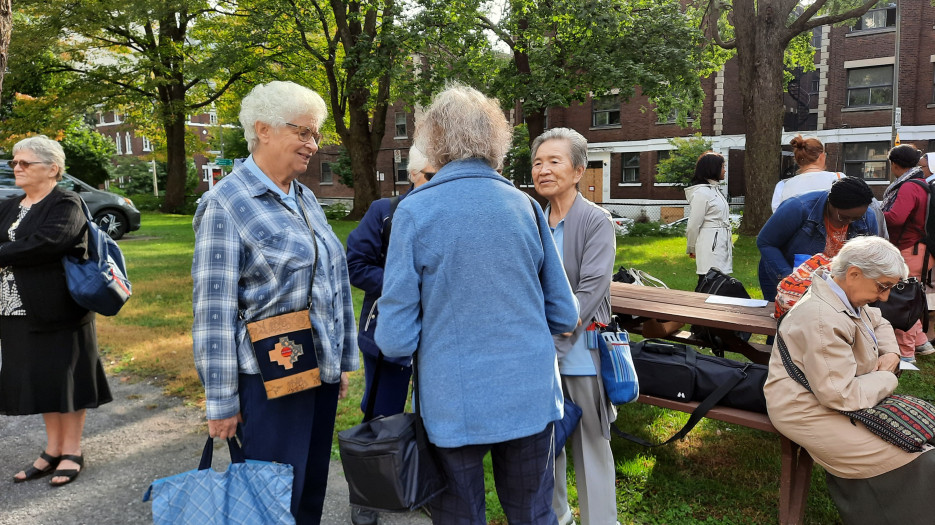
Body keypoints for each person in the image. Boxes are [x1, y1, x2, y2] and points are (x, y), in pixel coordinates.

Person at [375, 84, 579, 525]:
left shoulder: (415, 211)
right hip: (530, 393)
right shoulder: (525, 206)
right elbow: (564, 313)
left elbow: (393, 337)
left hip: (453, 399)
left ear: (435, 141)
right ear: (496, 139)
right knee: (533, 515)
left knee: (460, 517)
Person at [192, 80, 357, 525]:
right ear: (262, 129)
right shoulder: (225, 203)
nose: (312, 144)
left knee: (308, 492)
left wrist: (341, 360)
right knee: (268, 501)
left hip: (315, 373)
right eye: (302, 132)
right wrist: (221, 401)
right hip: (267, 382)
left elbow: (334, 281)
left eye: (315, 134)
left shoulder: (305, 199)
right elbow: (212, 311)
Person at [764, 236, 935, 523]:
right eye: (883, 287)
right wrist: (887, 376)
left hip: (841, 394)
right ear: (854, 273)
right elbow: (840, 395)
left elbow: (879, 320)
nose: (884, 297)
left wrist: (892, 353)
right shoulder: (821, 318)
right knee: (918, 455)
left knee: (922, 432)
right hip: (807, 410)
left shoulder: (841, 290)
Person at [0, 135, 112, 486]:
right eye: (13, 163)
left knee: (67, 379)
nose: (17, 168)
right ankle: (51, 450)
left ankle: (72, 451)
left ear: (53, 169)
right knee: (41, 381)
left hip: (59, 307)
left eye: (25, 163)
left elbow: (49, 243)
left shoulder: (67, 202)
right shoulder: (11, 205)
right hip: (15, 310)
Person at [344, 145, 435, 525]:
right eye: (428, 175)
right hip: (386, 335)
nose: (433, 183)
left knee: (432, 415)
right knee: (382, 413)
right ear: (413, 174)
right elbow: (355, 264)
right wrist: (403, 286)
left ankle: (425, 483)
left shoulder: (447, 213)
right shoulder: (385, 212)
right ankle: (369, 491)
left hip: (437, 338)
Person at [530, 127, 618, 525]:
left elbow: (593, 288)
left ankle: (600, 520)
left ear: (579, 169)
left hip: (582, 353)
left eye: (554, 161)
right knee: (548, 444)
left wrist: (559, 328)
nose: (543, 170)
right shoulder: (533, 220)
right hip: (541, 355)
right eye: (537, 162)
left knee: (591, 447)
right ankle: (557, 517)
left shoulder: (595, 221)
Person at [757, 176, 877, 302]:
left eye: (856, 218)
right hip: (783, 275)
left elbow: (870, 255)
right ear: (831, 203)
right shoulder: (798, 207)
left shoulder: (867, 216)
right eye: (844, 217)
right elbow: (766, 242)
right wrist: (790, 277)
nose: (849, 222)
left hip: (832, 283)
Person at [880, 144, 935, 362]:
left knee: (900, 301)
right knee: (910, 298)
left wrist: (876, 212)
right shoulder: (922, 183)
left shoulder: (908, 187)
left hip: (909, 250)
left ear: (894, 164)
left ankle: (906, 354)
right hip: (920, 250)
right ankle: (921, 343)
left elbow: (896, 218)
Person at [685, 151, 732, 284]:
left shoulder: (714, 190)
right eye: (722, 166)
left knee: (721, 283)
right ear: (713, 168)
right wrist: (691, 247)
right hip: (710, 246)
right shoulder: (701, 193)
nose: (725, 170)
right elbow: (693, 224)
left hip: (720, 243)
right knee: (709, 282)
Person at [771, 135, 842, 212]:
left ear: (797, 160)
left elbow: (778, 216)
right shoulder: (839, 178)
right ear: (821, 156)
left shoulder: (782, 185)